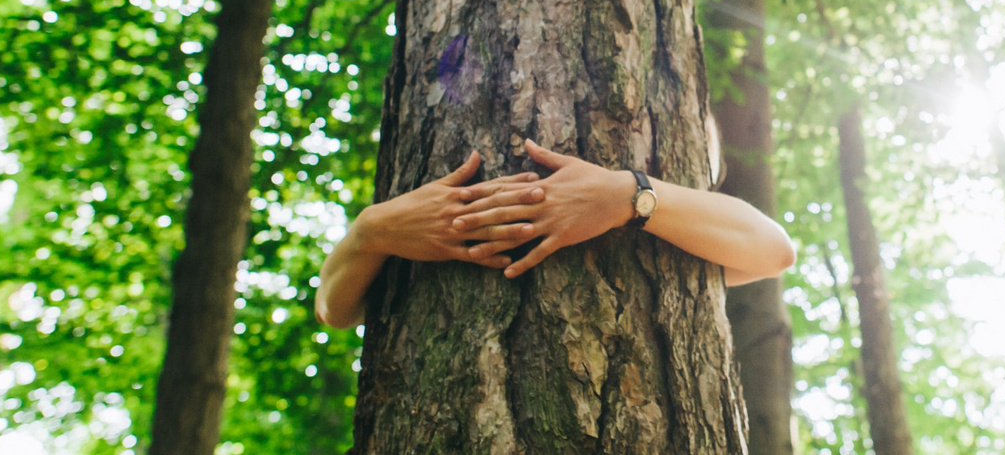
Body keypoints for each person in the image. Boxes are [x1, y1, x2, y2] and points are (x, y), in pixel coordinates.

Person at [315, 139, 795, 328]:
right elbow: (335, 310)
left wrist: (628, 193)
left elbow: (773, 251)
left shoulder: (694, 226)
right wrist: (370, 230)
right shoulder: (397, 225)